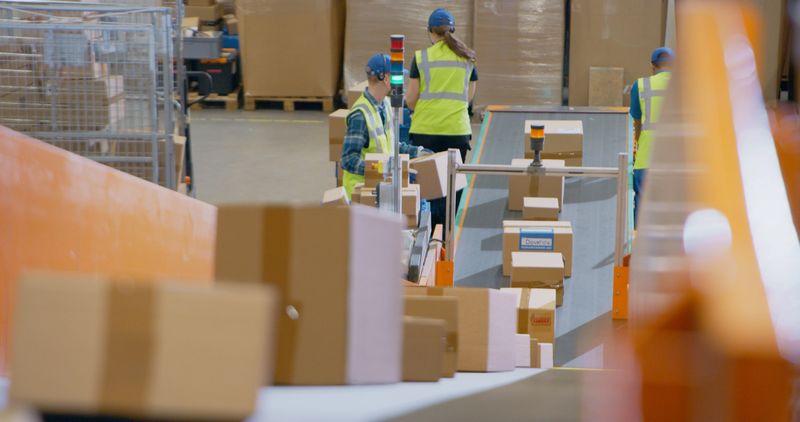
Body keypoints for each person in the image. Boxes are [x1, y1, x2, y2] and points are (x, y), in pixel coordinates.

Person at [406, 7, 478, 228]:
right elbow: (470, 94)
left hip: (424, 132)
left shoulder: (421, 58)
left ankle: (427, 232)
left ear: (430, 32)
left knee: (424, 186)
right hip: (456, 132)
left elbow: (411, 98)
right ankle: (447, 234)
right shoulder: (467, 58)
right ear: (453, 30)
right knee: (452, 186)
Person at [341, 53, 430, 198]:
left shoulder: (386, 105)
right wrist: (383, 167)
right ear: (386, 78)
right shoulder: (360, 115)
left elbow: (390, 145)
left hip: (381, 188)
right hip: (362, 194)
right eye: (398, 77)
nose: (401, 82)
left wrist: (417, 152)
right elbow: (348, 160)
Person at [630, 47, 674, 228]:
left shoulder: (640, 85)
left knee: (642, 206)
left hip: (646, 159)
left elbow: (637, 121)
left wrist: (637, 146)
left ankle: (639, 249)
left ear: (652, 66)